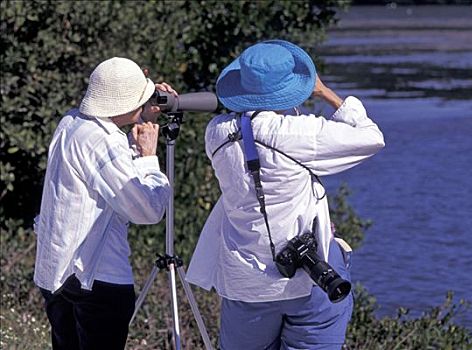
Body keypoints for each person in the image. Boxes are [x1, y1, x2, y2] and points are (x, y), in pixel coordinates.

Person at [186, 40, 385, 349]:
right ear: (290, 90)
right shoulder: (297, 133)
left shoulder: (215, 133)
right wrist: (325, 92)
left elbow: (244, 125)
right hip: (309, 277)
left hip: (246, 281)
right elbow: (371, 138)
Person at [33, 57, 176, 350]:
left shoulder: (71, 121)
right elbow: (147, 210)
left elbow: (107, 172)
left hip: (57, 273)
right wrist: (148, 157)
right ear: (127, 104)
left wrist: (139, 115)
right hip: (95, 280)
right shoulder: (103, 142)